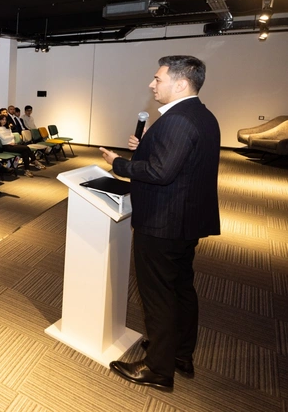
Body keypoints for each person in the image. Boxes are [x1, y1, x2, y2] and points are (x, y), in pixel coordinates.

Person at [102, 56, 220, 390]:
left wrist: (121, 164)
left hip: (162, 222)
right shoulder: (201, 115)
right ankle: (178, 353)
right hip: (184, 221)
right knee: (181, 288)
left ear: (180, 84)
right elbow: (179, 163)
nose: (151, 84)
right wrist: (145, 149)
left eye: (158, 79)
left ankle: (157, 369)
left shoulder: (177, 120)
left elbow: (160, 171)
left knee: (159, 295)